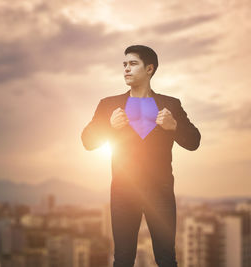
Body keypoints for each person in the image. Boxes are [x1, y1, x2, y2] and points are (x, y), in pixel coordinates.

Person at [81, 45, 201, 267]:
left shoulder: (170, 104)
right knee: (123, 258)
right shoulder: (108, 105)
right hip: (123, 193)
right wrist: (108, 127)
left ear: (150, 69)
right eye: (124, 64)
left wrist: (174, 126)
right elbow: (87, 141)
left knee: (166, 258)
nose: (126, 69)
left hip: (160, 192)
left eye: (133, 63)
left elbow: (194, 141)